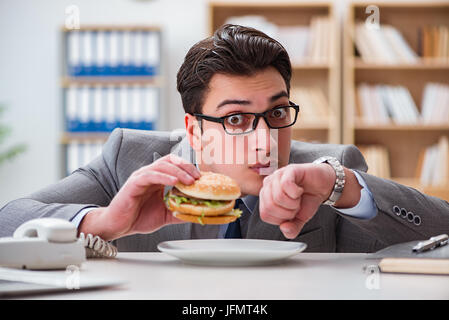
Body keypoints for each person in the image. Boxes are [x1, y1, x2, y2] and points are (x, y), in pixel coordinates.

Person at [1, 24, 448, 252]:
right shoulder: (130, 159)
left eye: (276, 112)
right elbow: (10, 218)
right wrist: (101, 223)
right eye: (235, 120)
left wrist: (344, 187)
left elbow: (441, 240)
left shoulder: (328, 171)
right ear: (194, 128)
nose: (266, 142)